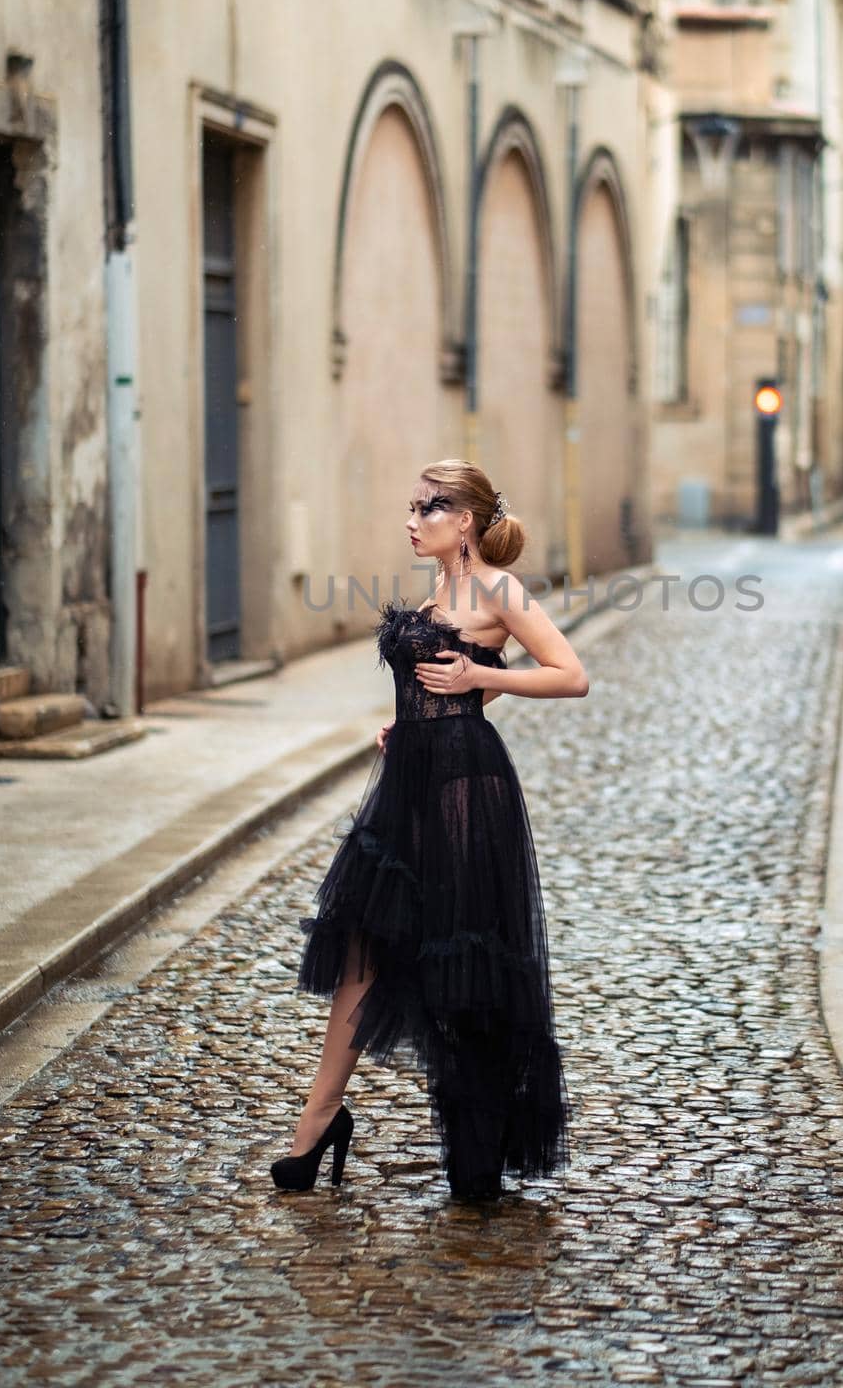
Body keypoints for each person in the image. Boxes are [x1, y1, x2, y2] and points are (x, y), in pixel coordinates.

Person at [271, 459, 589, 1201]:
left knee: (461, 962)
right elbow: (441, 680)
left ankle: (478, 1145)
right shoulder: (438, 591)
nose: (412, 521)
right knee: (362, 943)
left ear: (465, 522)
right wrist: (410, 718)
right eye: (411, 507)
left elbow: (569, 673)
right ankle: (316, 1124)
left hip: (464, 792)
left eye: (428, 508)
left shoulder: (497, 590)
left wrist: (483, 683)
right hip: (410, 782)